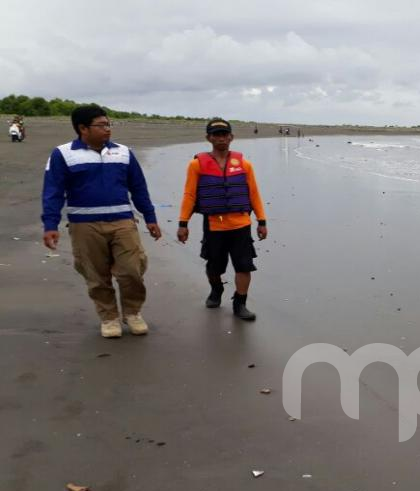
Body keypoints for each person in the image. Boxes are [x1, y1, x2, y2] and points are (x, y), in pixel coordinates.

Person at [41, 105, 161, 338]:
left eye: (108, 124)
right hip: (84, 225)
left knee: (132, 270)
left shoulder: (124, 153)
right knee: (96, 276)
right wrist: (50, 225)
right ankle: (109, 318)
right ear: (83, 128)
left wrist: (150, 218)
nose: (108, 129)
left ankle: (133, 312)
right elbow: (53, 191)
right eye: (102, 125)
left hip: (123, 222)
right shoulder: (63, 154)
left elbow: (138, 188)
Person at [177, 118, 267, 321]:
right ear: (208, 138)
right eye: (216, 134)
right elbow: (189, 195)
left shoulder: (244, 164)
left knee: (244, 266)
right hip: (214, 226)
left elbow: (254, 194)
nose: (221, 138)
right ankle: (216, 289)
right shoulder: (196, 165)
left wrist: (262, 221)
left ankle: (240, 303)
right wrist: (183, 224)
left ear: (231, 137)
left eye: (224, 134)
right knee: (214, 267)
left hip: (241, 225)